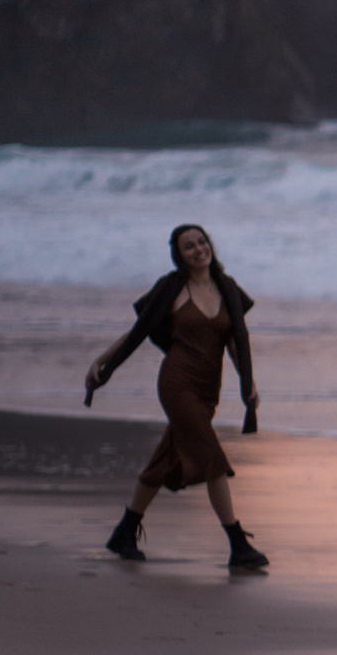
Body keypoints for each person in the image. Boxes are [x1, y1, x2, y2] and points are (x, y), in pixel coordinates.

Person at [85, 223, 269, 571]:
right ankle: (238, 544)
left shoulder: (227, 289)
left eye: (202, 242)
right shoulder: (172, 288)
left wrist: (249, 384)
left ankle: (124, 532)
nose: (199, 249)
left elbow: (235, 344)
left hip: (207, 389)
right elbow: (138, 331)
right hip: (176, 383)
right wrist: (103, 360)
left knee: (165, 460)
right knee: (212, 457)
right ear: (179, 255)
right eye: (189, 246)